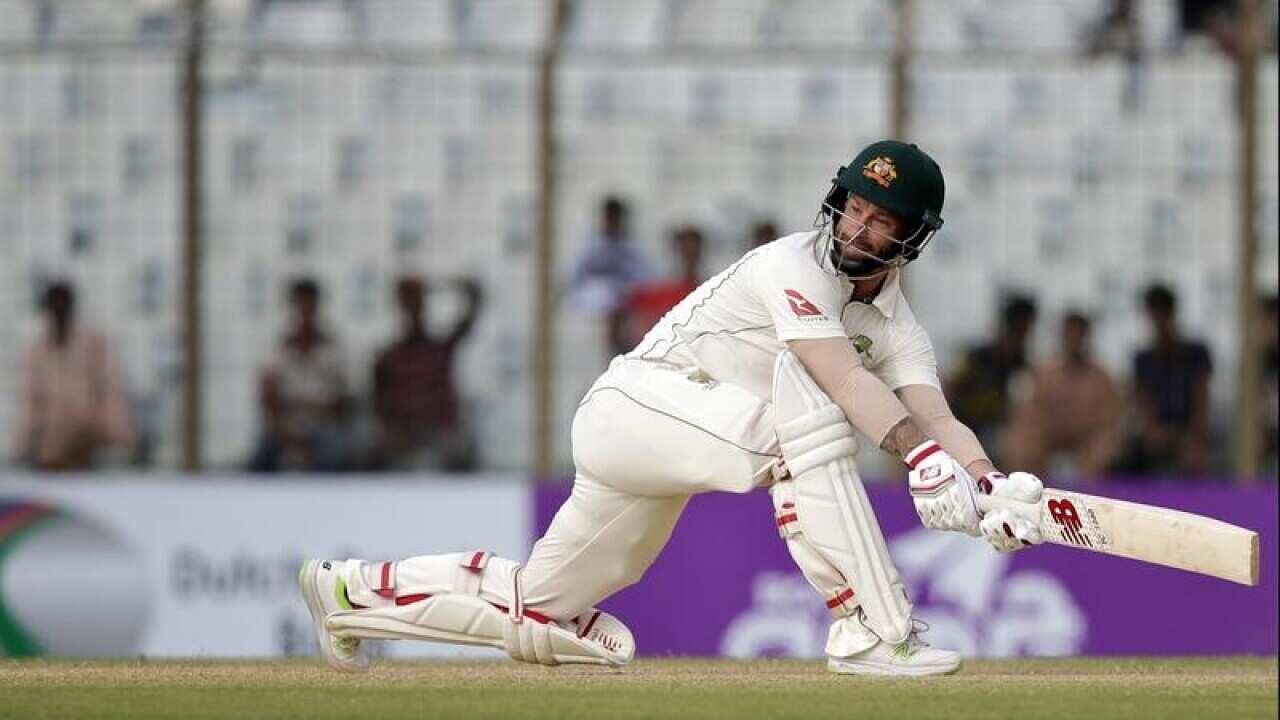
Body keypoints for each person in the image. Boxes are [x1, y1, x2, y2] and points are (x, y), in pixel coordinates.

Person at [299, 141, 1047, 678]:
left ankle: (347, 590)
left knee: (541, 608)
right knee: (801, 431)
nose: (856, 227)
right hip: (635, 409)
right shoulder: (790, 265)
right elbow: (846, 383)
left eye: (880, 218)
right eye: (854, 205)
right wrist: (920, 459)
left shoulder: (896, 324)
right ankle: (872, 630)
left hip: (669, 446)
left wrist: (986, 484)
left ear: (911, 236)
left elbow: (935, 414)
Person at [13, 281, 133, 471]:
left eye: (63, 305)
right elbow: (30, 403)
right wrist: (24, 446)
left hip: (91, 444)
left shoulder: (94, 345)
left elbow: (111, 393)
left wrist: (107, 435)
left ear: (72, 308)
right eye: (54, 306)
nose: (59, 311)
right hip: (50, 450)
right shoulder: (36, 352)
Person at [371, 276, 484, 471]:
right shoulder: (388, 358)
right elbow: (379, 405)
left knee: (458, 450)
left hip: (441, 434)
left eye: (418, 304)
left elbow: (475, 297)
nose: (413, 311)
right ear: (400, 310)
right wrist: (393, 432)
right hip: (402, 438)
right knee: (372, 452)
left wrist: (440, 284)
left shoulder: (441, 349)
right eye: (408, 305)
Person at [1000, 312, 1123, 480]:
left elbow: (1110, 419)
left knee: (1104, 450)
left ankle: (1089, 501)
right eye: (1070, 334)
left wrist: (1079, 427)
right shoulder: (1043, 373)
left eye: (1079, 335)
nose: (1074, 340)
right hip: (1048, 436)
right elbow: (1029, 412)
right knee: (1019, 445)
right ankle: (1023, 496)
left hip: (1087, 440)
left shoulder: (1101, 377)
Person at [249, 278, 351, 472]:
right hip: (284, 429)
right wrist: (287, 432)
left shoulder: (335, 350)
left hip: (323, 429)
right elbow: (268, 399)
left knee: (332, 453)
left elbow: (341, 404)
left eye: (309, 304)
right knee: (260, 458)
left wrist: (302, 409)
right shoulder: (276, 350)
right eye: (300, 304)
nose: (305, 311)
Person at [1120, 284, 1213, 476]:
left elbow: (1202, 398)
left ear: (1172, 313)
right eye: (1155, 313)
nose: (1159, 320)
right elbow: (1141, 402)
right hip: (1156, 433)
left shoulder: (1195, 353)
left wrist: (1194, 434)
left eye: (1163, 312)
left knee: (1195, 459)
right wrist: (1153, 431)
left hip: (1189, 433)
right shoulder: (1143, 358)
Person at [945, 294, 1038, 461]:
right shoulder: (975, 358)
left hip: (1000, 431)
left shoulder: (1023, 366)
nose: (1020, 338)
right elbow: (949, 390)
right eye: (1017, 331)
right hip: (963, 426)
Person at [565, 195, 653, 357]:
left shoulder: (632, 248)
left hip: (626, 306)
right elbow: (575, 281)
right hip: (595, 306)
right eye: (610, 219)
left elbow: (646, 278)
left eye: (616, 219)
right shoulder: (590, 248)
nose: (613, 224)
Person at [622, 225, 705, 348]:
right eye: (685, 250)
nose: (688, 255)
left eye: (693, 251)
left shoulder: (709, 291)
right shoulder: (655, 290)